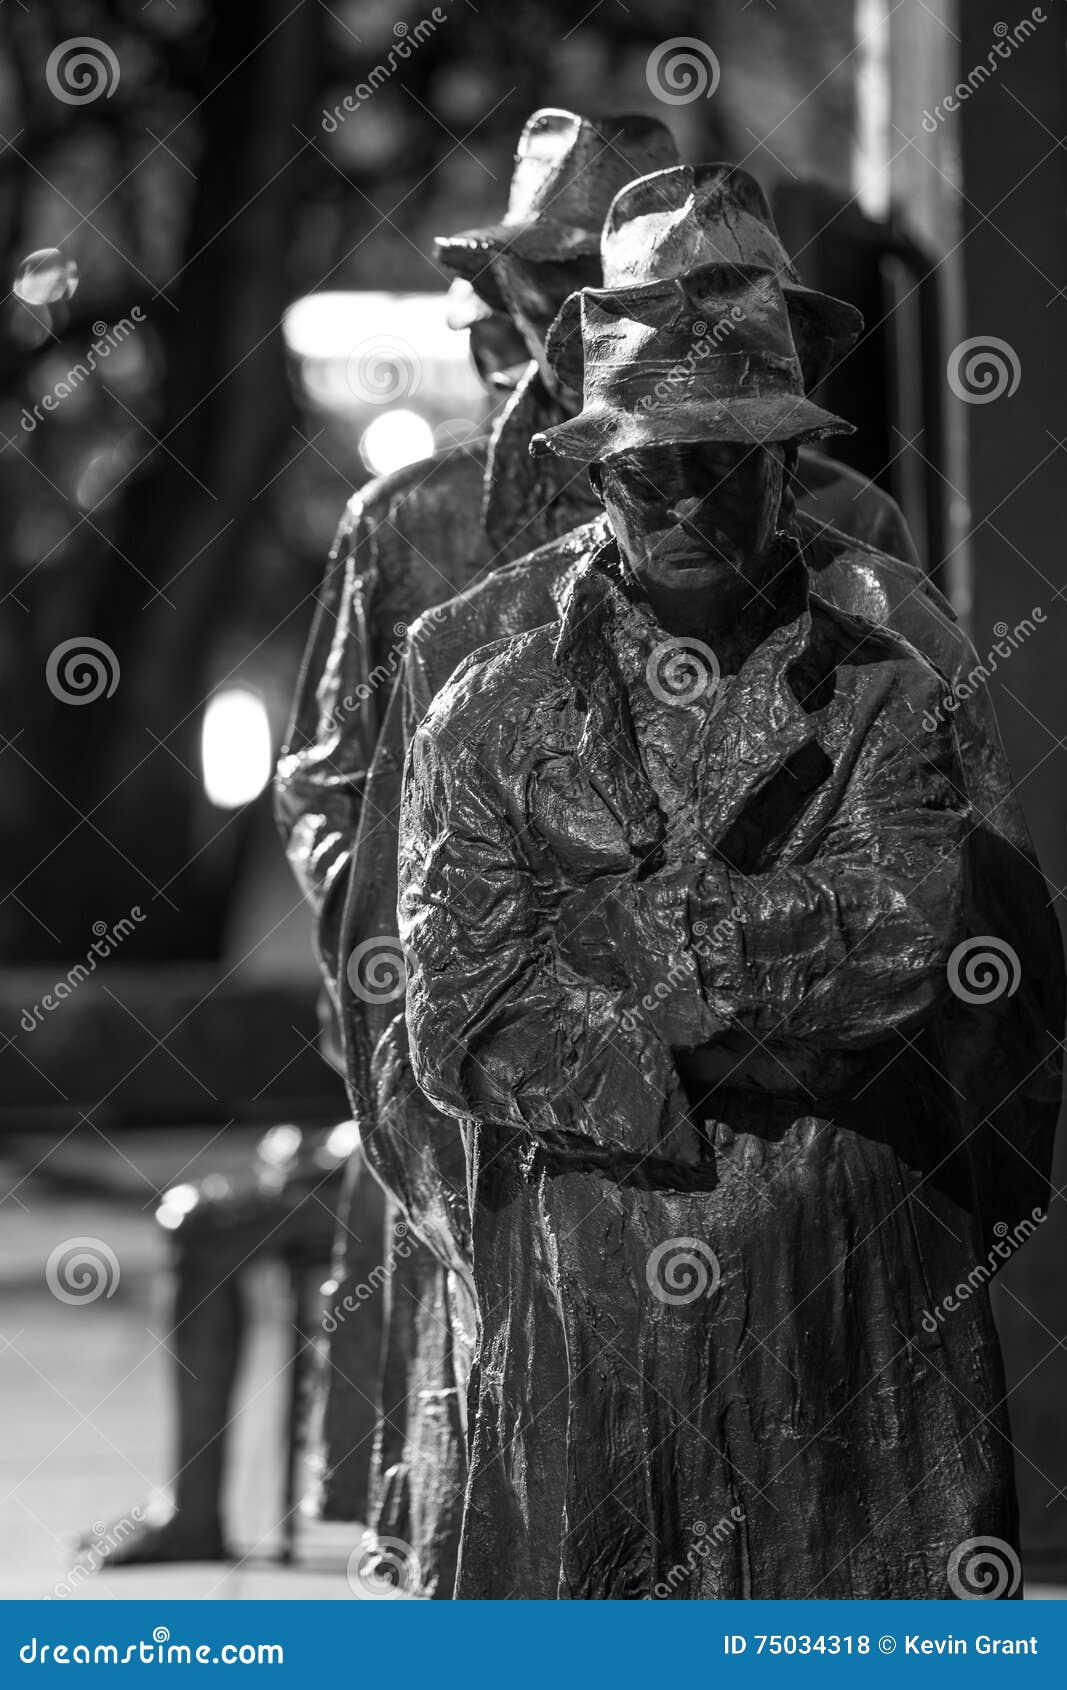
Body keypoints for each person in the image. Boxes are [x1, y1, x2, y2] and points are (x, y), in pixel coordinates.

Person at [398, 261, 1061, 1598]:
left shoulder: (890, 698)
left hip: (846, 1295)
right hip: (587, 1312)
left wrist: (626, 944)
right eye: (652, 467)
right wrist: (747, 1022)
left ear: (789, 473)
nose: (688, 498)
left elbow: (899, 950)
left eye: (726, 462)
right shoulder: (487, 709)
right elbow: (459, 1022)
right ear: (597, 476)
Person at [276, 108, 681, 1593]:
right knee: (475, 1455)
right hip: (459, 1055)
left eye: (603, 277)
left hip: (691, 1057)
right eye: (547, 275)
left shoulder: (802, 522)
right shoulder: (415, 522)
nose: (565, 313)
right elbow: (325, 786)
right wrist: (408, 952)